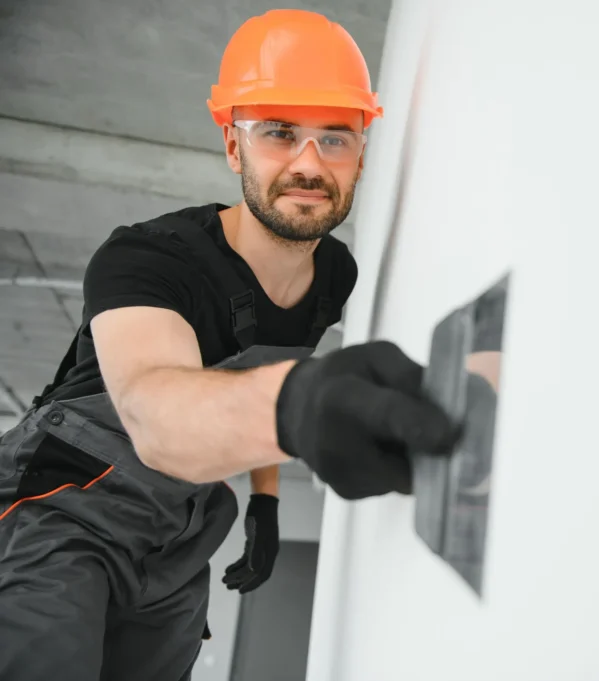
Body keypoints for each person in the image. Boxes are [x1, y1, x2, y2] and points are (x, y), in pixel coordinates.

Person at [0, 9, 457, 681]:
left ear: (362, 153)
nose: (309, 163)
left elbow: (263, 375)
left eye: (335, 137)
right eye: (279, 132)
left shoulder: (335, 274)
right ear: (234, 146)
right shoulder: (149, 260)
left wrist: (265, 502)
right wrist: (297, 406)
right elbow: (156, 409)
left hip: (178, 535)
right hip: (61, 506)